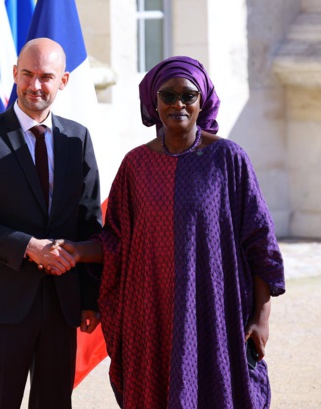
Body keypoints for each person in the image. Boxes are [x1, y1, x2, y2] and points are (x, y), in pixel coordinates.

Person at [52, 56, 286, 408]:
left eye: (188, 95)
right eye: (168, 95)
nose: (178, 104)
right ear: (153, 102)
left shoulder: (228, 159)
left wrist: (260, 318)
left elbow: (260, 243)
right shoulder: (135, 165)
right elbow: (116, 240)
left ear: (202, 100)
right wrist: (74, 250)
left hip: (216, 312)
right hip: (153, 315)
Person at [0, 37, 103, 409]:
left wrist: (89, 300)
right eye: (28, 74)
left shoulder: (77, 139)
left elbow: (89, 222)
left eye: (46, 77)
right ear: (14, 74)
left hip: (61, 304)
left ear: (63, 81)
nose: (35, 85)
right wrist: (29, 248)